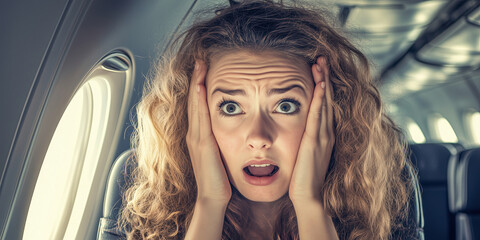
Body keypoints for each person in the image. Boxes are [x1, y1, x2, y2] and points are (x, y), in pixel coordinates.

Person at [120, 0, 414, 239]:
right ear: (197, 120)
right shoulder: (155, 224)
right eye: (232, 108)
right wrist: (209, 204)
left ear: (328, 117)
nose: (259, 136)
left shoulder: (375, 222)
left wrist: (310, 204)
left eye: (285, 106)